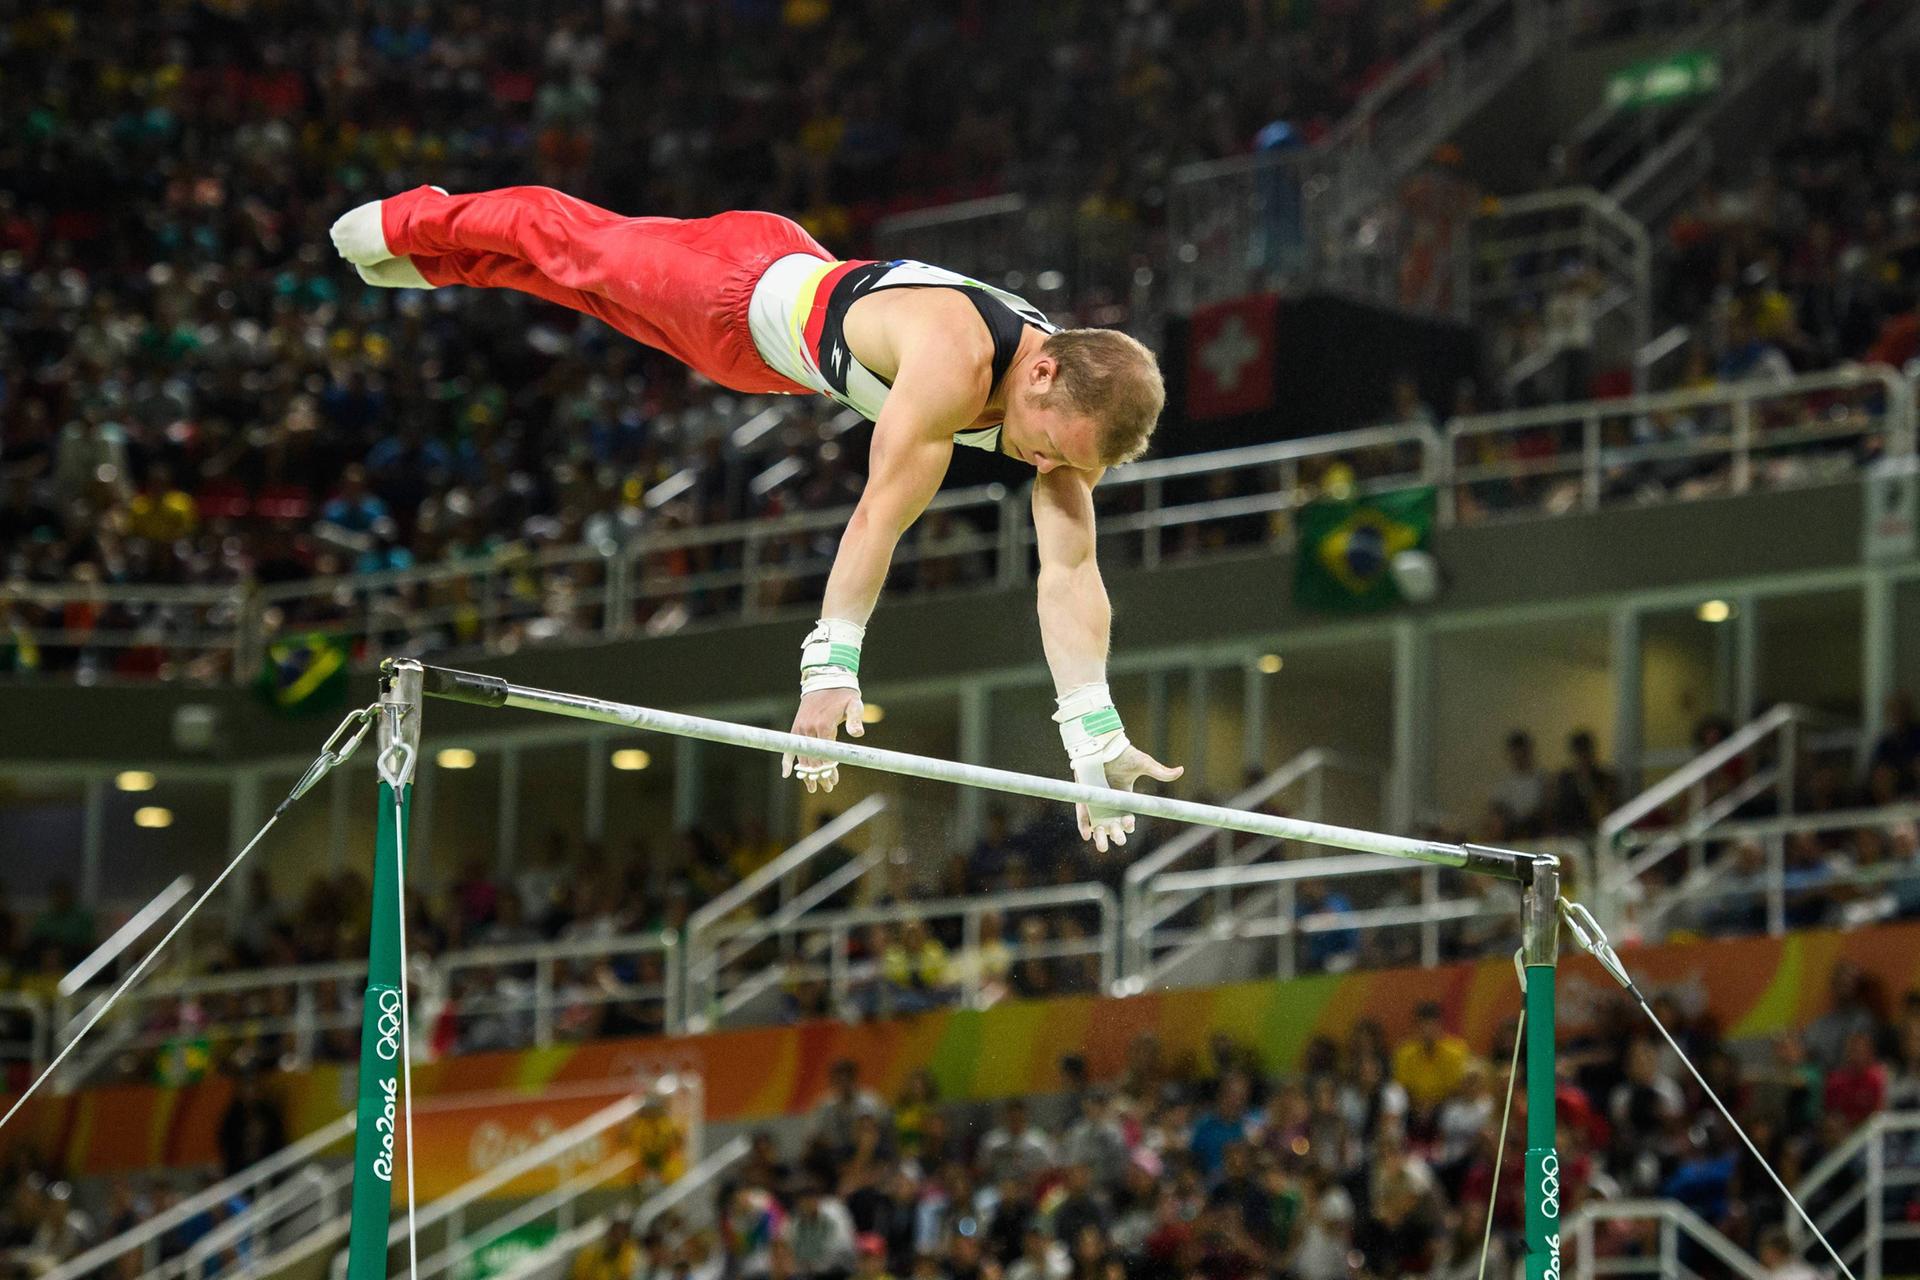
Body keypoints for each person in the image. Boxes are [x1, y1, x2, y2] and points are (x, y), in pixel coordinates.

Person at [331, 186, 1181, 849]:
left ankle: (441, 260)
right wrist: (829, 669)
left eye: (1069, 466)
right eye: (1048, 448)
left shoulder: (1072, 430)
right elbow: (881, 513)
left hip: (769, 347)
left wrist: (1093, 730)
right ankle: (417, 217)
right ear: (1041, 375)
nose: (1046, 469)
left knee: (578, 290)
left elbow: (1069, 574)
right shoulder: (954, 362)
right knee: (572, 244)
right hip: (734, 290)